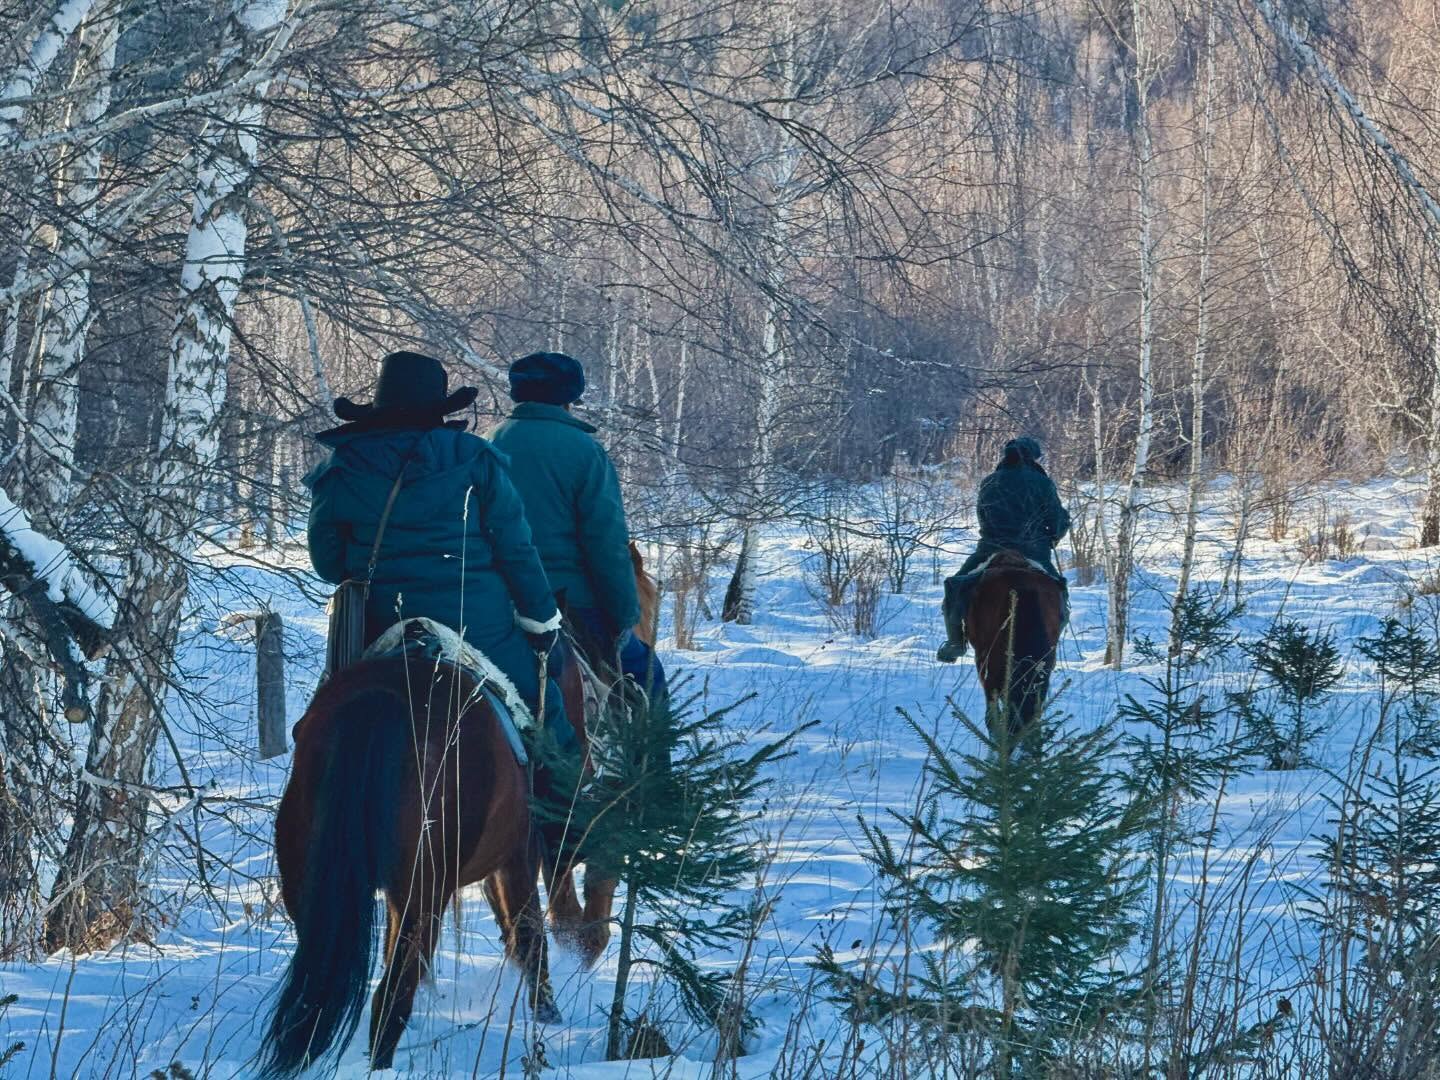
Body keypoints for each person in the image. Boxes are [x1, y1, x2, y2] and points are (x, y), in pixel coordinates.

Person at [303, 350, 566, 734]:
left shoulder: (341, 466)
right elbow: (515, 549)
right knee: (544, 709)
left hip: (378, 622)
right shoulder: (476, 458)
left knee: (324, 727)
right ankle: (564, 792)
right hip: (477, 623)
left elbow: (327, 563)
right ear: (438, 406)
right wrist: (540, 617)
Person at [489, 351, 668, 709]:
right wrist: (622, 618)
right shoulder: (586, 452)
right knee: (647, 673)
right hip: (570, 603)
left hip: (494, 600)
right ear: (569, 399)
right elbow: (607, 546)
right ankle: (650, 765)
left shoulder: (486, 444)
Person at [937, 436, 1070, 661]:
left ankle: (955, 643)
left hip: (990, 549)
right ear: (1033, 458)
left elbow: (983, 518)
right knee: (1059, 593)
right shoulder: (1043, 483)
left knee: (954, 588)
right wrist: (1054, 535)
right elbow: (1057, 519)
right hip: (1034, 551)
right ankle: (1049, 644)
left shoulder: (989, 481)